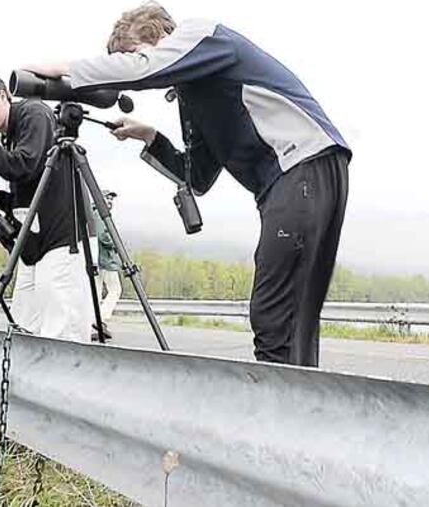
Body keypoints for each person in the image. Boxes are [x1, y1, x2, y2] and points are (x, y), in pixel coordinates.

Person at [26, 2, 351, 366]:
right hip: (303, 175)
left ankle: (277, 412)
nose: (130, 67)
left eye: (132, 55)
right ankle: (302, 411)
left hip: (303, 165)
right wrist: (150, 137)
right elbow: (196, 177)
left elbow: (149, 67)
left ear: (160, 36)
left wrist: (68, 70)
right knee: (293, 316)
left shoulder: (203, 33)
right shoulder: (198, 93)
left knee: (273, 315)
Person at [0, 69, 92, 342]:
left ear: (4, 95)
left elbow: (23, 165)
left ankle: (63, 382)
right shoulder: (9, 132)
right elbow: (30, 194)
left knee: (61, 330)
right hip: (34, 242)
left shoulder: (34, 113)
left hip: (63, 239)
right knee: (25, 324)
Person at [92, 190, 122, 341]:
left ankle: (94, 322)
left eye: (111, 199)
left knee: (96, 292)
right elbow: (103, 235)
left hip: (95, 260)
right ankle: (101, 319)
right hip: (105, 260)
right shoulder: (99, 214)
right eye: (107, 198)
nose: (110, 201)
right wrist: (115, 244)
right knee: (115, 290)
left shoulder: (93, 213)